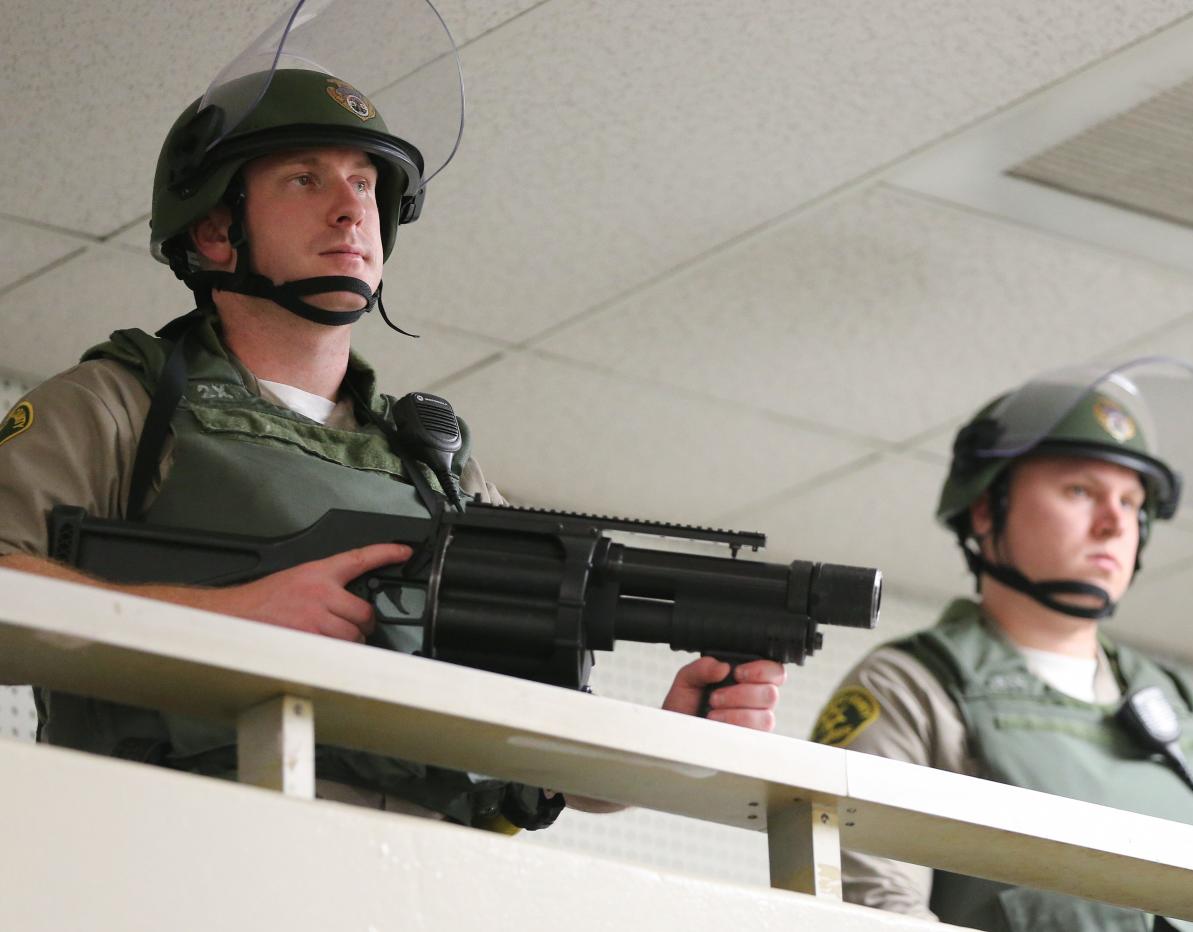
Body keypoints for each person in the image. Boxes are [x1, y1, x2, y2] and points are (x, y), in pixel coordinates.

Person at [0, 0, 783, 833]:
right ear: (218, 229)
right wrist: (230, 620)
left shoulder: (436, 467)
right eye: (307, 178)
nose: (351, 210)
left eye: (367, 185)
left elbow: (518, 724)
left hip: (408, 877)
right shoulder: (118, 404)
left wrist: (664, 742)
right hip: (173, 852)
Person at [811, 358, 1193, 930]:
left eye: (1133, 504)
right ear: (988, 508)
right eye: (1081, 490)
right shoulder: (913, 689)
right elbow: (868, 909)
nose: (1115, 523)